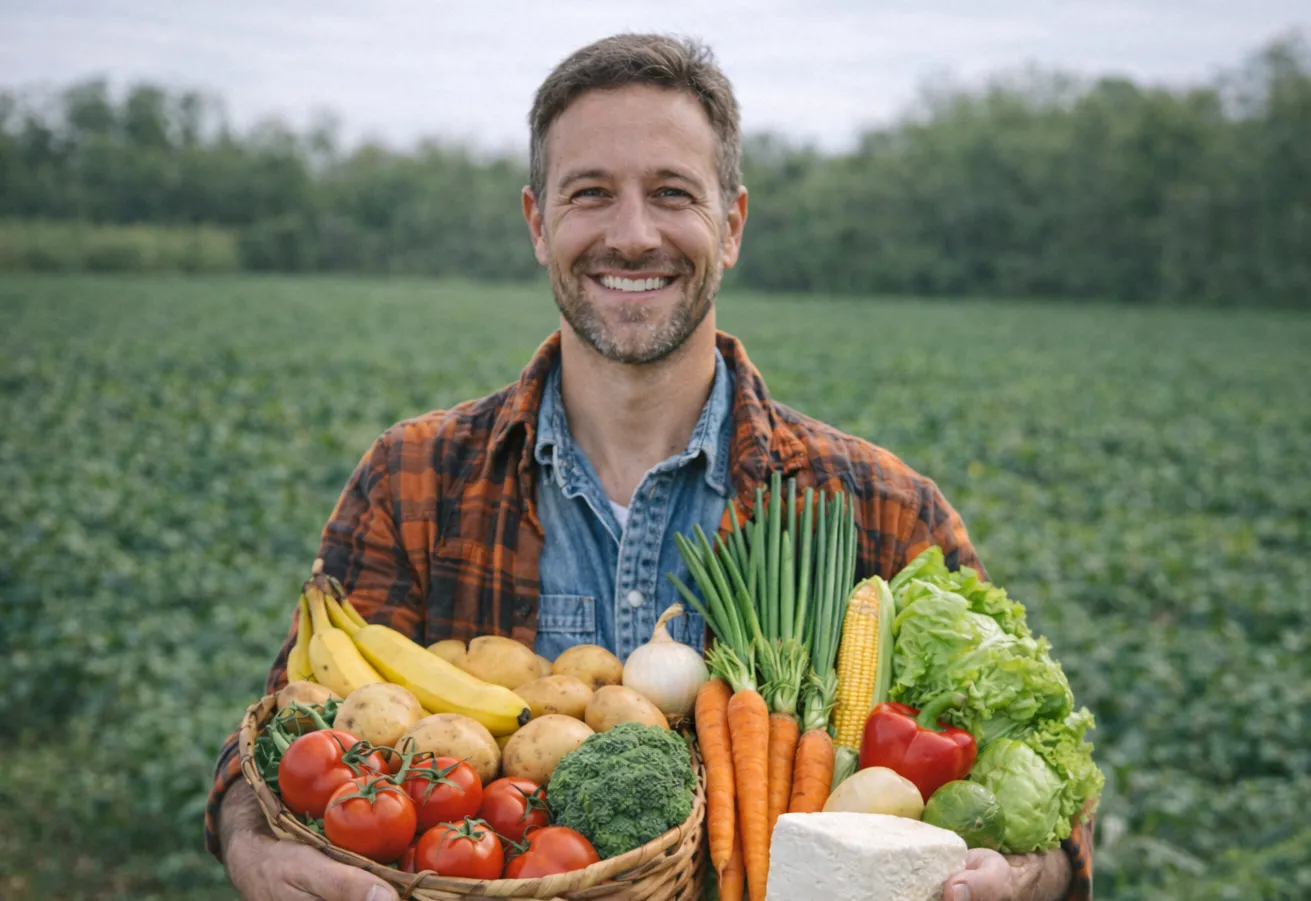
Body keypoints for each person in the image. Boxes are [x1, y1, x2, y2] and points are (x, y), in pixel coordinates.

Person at [205, 33, 1094, 901]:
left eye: (672, 193)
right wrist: (252, 844)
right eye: (590, 193)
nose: (632, 236)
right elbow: (287, 736)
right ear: (536, 222)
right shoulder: (416, 481)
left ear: (732, 224)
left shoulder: (880, 508)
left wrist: (1025, 878)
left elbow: (1045, 802)